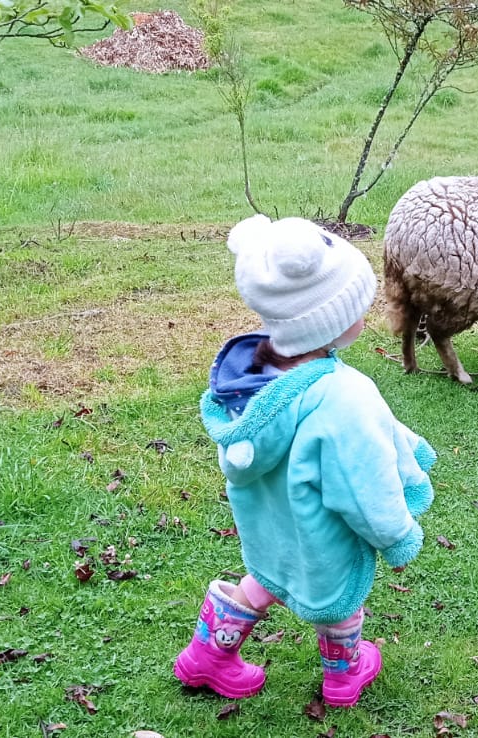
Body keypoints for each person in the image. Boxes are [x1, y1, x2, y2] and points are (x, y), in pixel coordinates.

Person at [173, 214, 436, 708]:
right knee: (336, 596)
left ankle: (206, 656)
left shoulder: (251, 376)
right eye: (359, 303)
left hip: (272, 523)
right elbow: (364, 482)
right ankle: (345, 674)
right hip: (321, 529)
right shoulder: (344, 396)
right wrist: (397, 535)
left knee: (267, 577)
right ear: (329, 321)